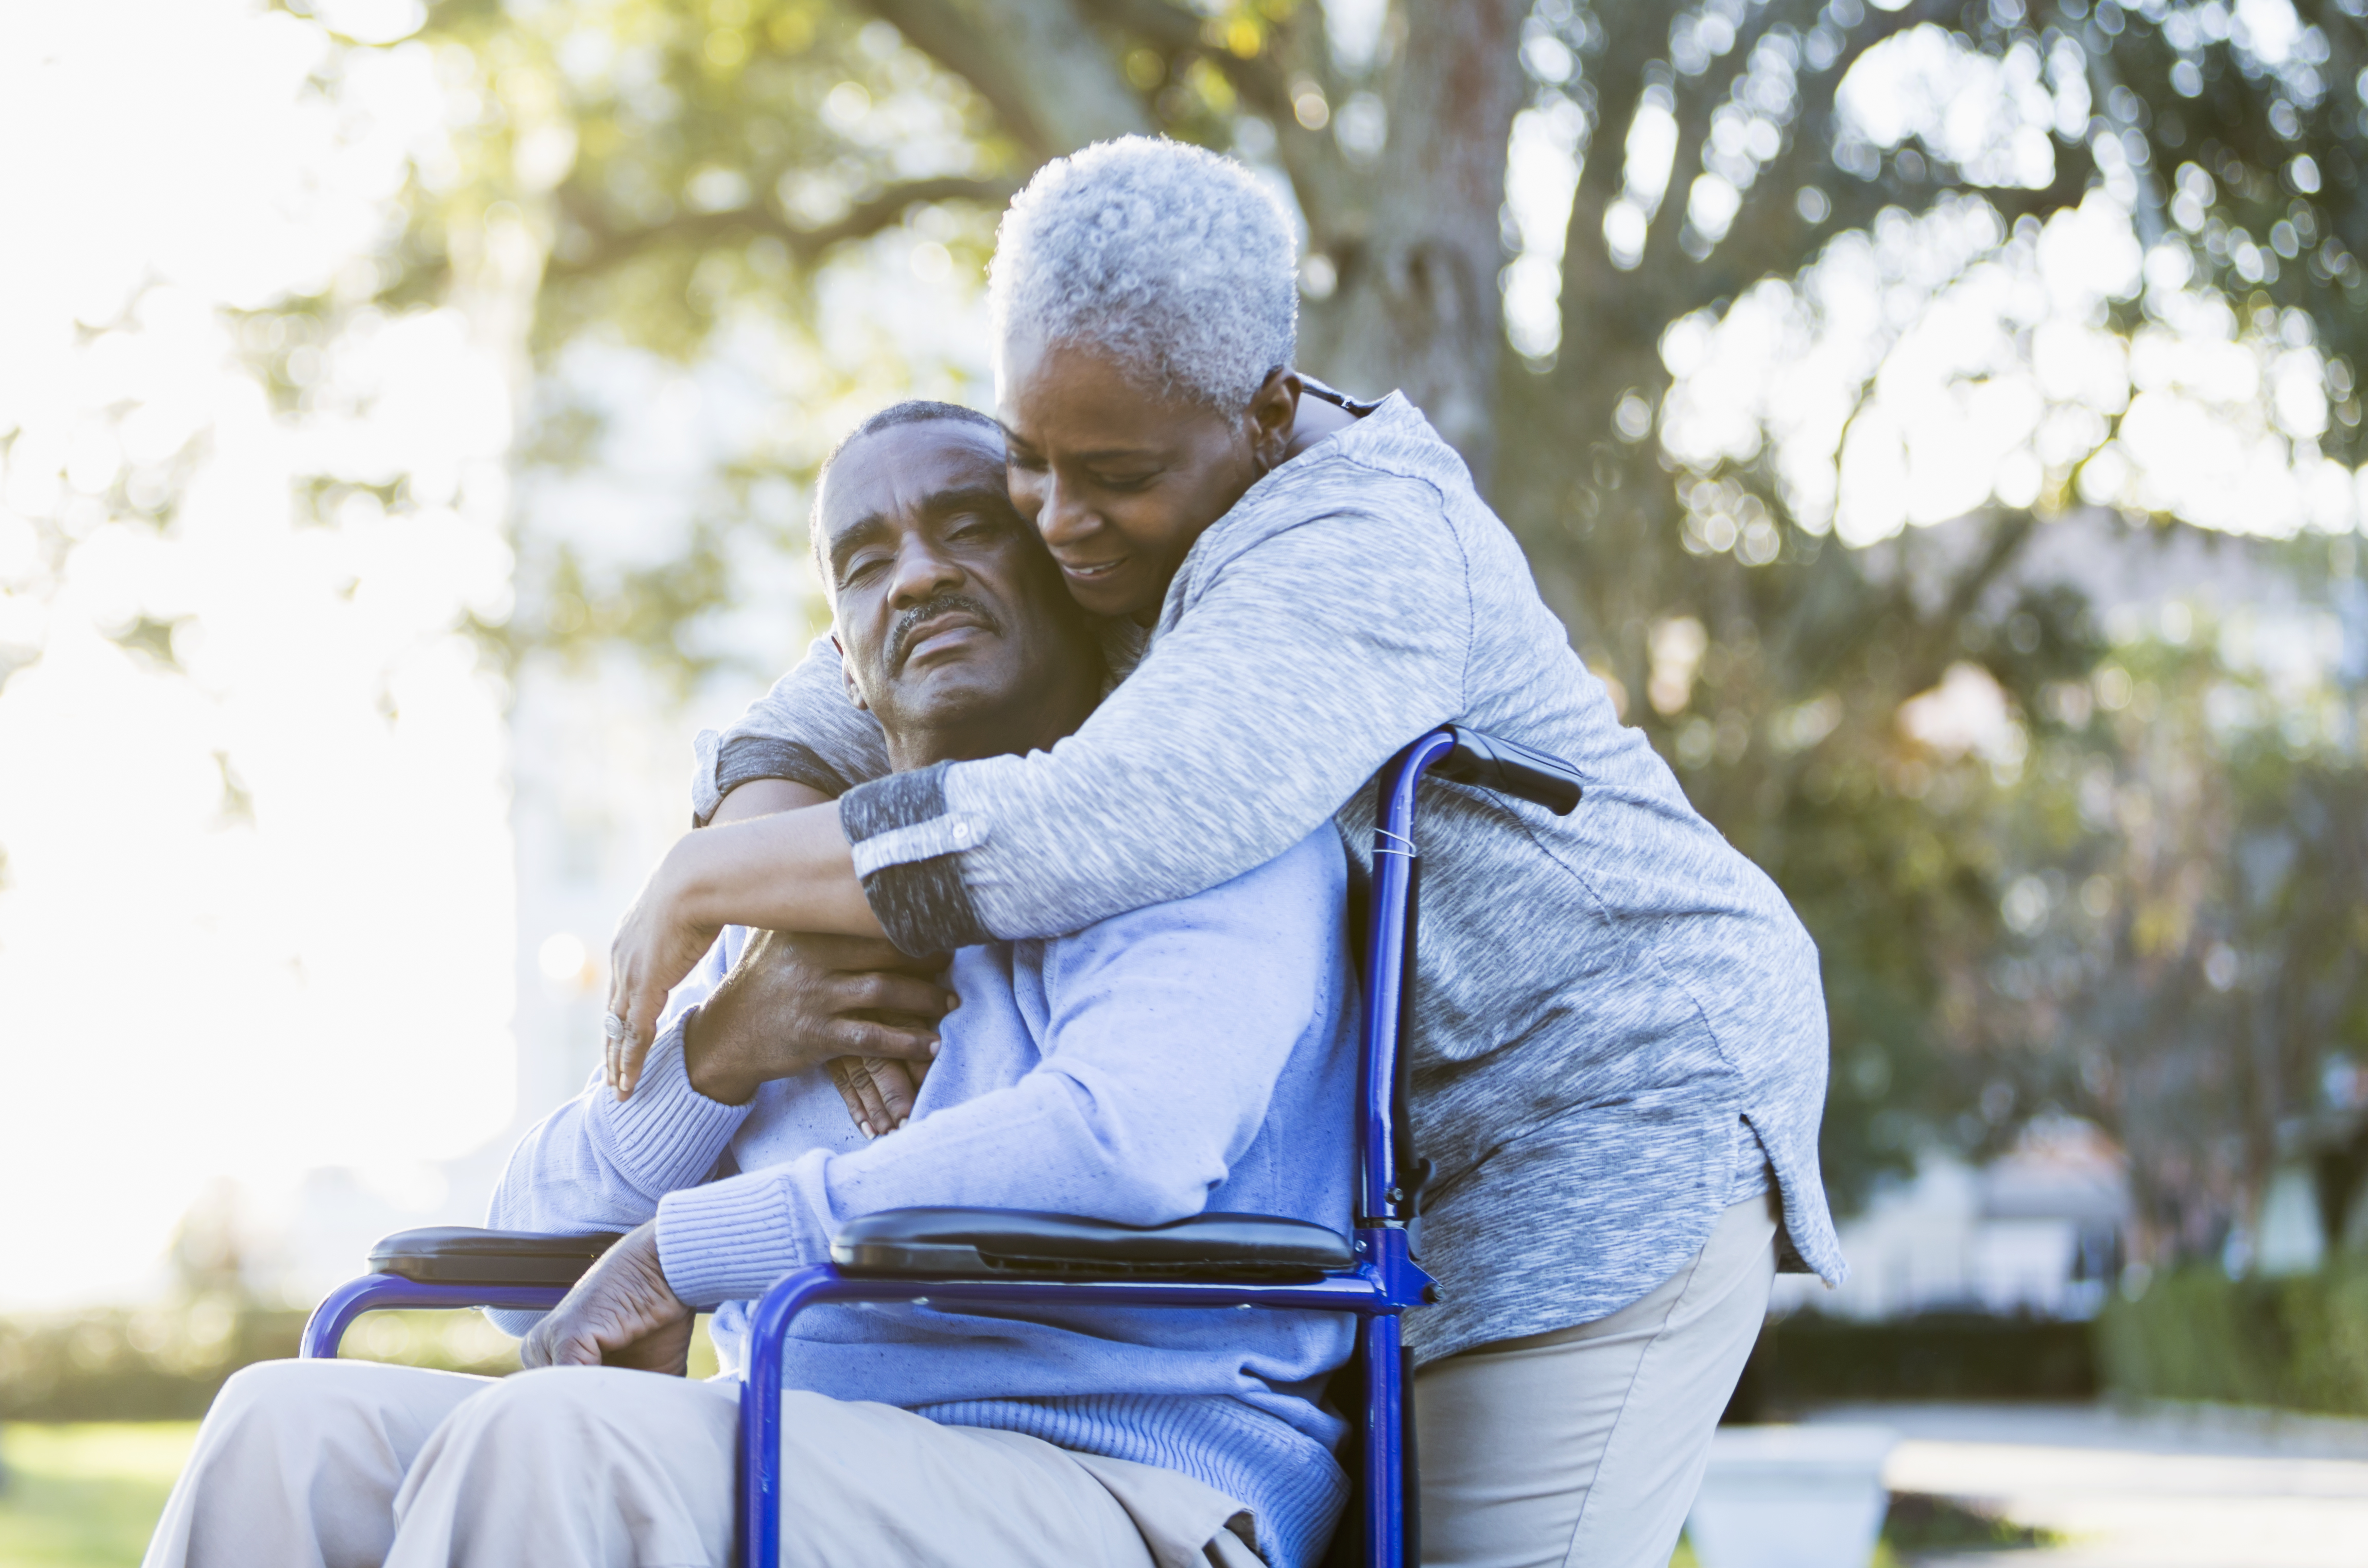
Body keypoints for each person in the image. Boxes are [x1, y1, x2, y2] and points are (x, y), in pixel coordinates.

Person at [604, 136, 1846, 1568]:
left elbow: (1095, 825)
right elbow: (807, 717)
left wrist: (704, 885)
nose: (1058, 523)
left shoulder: (1355, 545)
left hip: (1604, 1095)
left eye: (1112, 476)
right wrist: (789, 929)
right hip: (1394, 1158)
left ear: (1263, 413)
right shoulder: (1098, 508)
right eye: (1029, 463)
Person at [142, 401, 1361, 1568]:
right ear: (845, 661)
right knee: (282, 1429)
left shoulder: (1198, 813)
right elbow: (525, 1269)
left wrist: (688, 1250)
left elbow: (1125, 1141)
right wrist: (716, 1054)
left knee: (555, 1442)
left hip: (1122, 1478)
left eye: (969, 526)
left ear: (1067, 565)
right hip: (803, 1453)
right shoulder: (792, 889)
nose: (919, 575)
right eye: (866, 560)